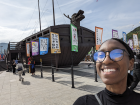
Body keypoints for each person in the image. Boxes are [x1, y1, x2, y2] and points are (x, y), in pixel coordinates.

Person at [73, 38, 140, 105]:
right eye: (100, 55)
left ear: (131, 64)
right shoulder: (84, 102)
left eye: (116, 54)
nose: (106, 61)